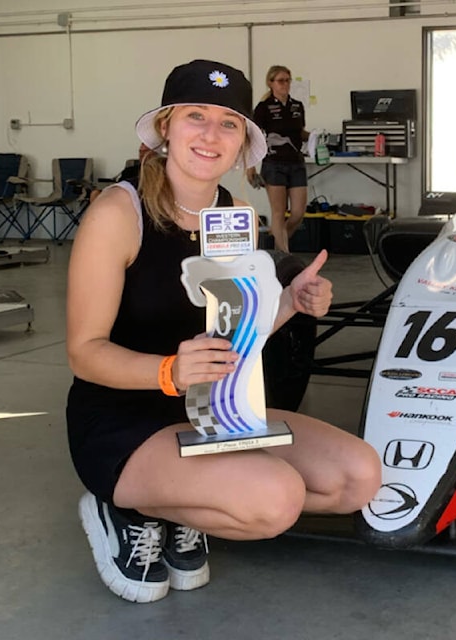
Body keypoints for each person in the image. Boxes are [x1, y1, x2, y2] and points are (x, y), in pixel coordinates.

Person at [66, 59, 381, 604]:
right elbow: (84, 353)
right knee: (276, 499)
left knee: (357, 477)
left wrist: (290, 302)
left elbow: (237, 334)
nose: (211, 135)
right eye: (195, 117)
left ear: (243, 142)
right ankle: (125, 506)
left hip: (213, 407)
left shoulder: (236, 214)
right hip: (122, 417)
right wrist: (167, 370)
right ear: (166, 127)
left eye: (229, 123)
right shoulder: (119, 213)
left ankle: (184, 504)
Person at [246, 65, 309, 253]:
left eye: (288, 80)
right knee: (278, 213)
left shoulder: (297, 106)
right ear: (270, 83)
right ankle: (283, 256)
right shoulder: (264, 108)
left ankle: (277, 243)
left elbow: (299, 132)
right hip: (274, 164)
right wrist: (250, 167)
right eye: (281, 81)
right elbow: (253, 136)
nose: (285, 84)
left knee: (298, 213)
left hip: (296, 162)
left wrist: (314, 137)